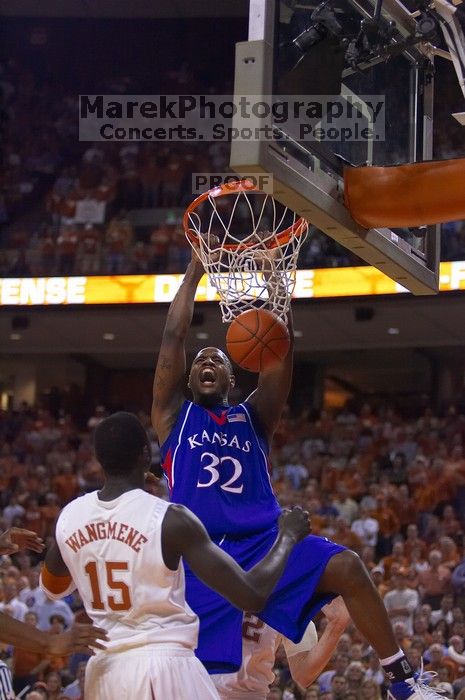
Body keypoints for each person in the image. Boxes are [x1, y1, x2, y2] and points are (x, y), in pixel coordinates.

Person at [152, 247, 444, 700]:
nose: (207, 364)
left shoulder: (255, 417)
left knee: (347, 566)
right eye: (201, 362)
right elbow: (173, 335)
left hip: (264, 539)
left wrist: (275, 285)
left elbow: (278, 355)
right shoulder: (174, 417)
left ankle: (402, 680)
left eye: (218, 361)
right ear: (189, 381)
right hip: (202, 550)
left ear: (232, 380)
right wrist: (194, 268)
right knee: (196, 669)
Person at [41, 412, 310, 700]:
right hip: (164, 665)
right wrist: (287, 537)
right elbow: (252, 595)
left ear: (98, 459)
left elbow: (53, 588)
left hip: (105, 670)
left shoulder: (71, 516)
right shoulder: (170, 518)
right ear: (146, 456)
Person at [212, 596, 350, 699]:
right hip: (199, 686)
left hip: (246, 694)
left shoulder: (291, 607)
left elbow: (303, 676)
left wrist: (337, 625)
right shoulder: (211, 580)